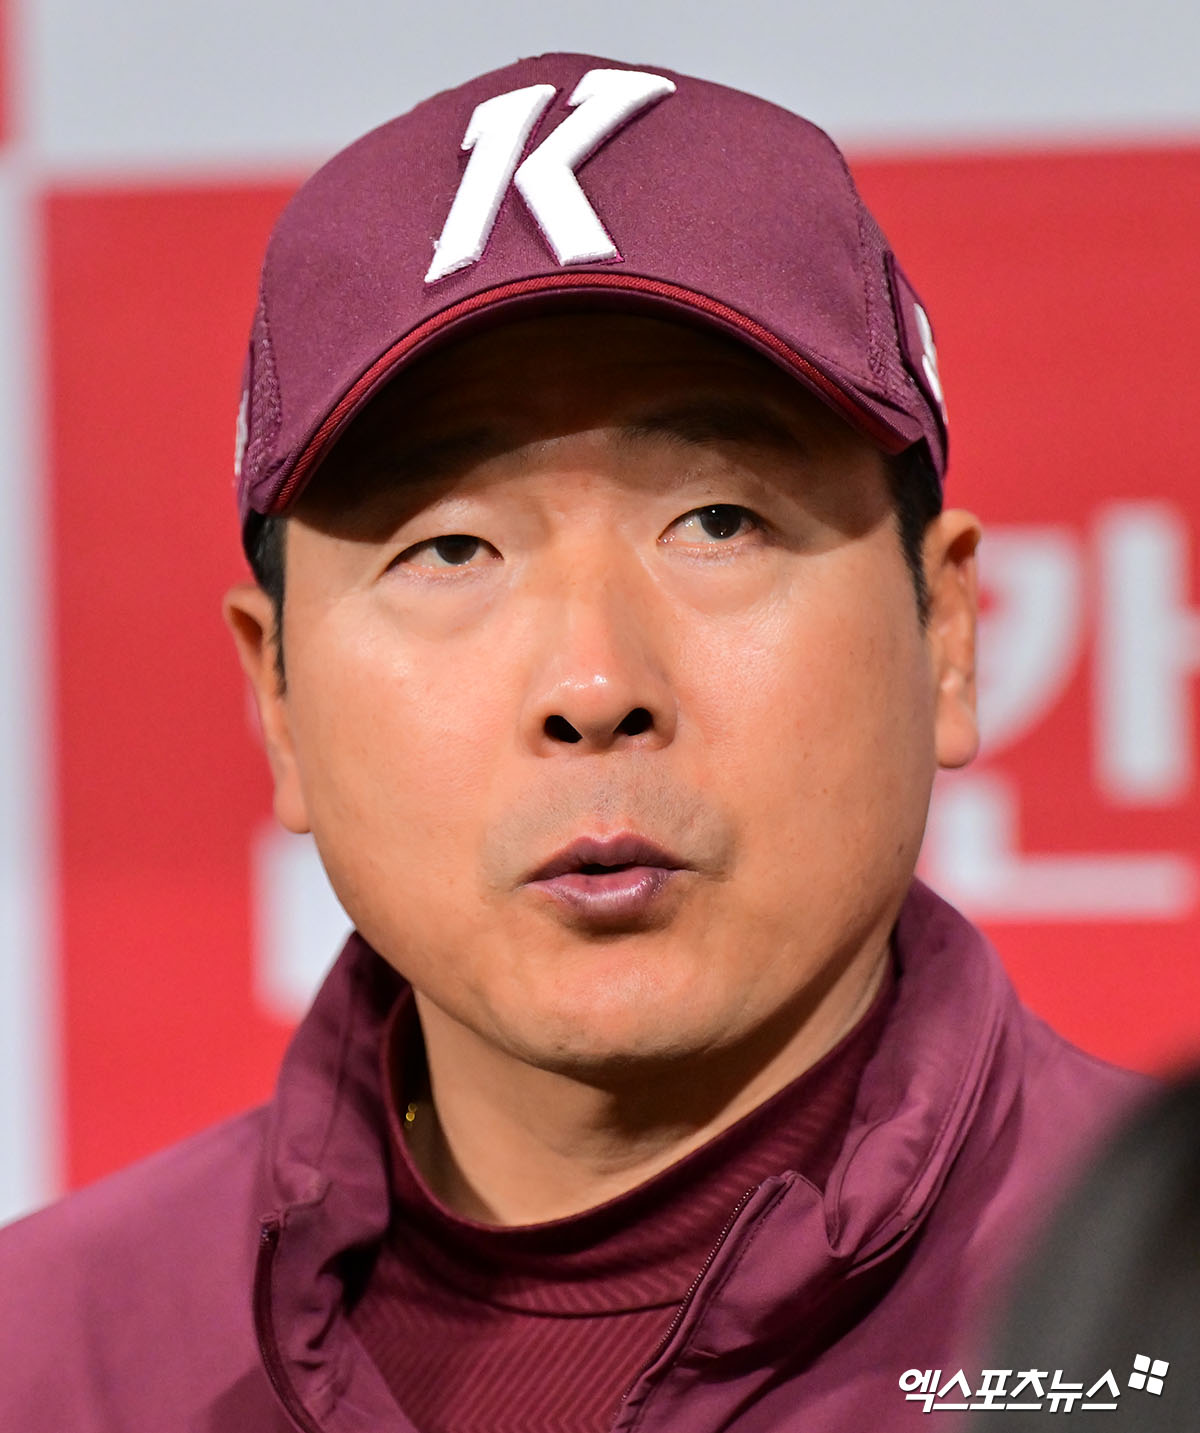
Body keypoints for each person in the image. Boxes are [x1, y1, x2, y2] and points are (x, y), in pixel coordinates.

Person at [0, 52, 1149, 1431]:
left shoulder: (1159, 1316)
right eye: (450, 548)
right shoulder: (47, 1356)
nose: (596, 684)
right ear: (279, 698)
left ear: (947, 630)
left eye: (719, 521)